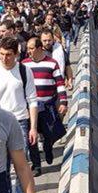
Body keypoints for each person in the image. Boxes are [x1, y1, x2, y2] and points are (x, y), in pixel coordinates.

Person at [23, 36, 67, 170]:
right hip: (31, 107)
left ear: (39, 48)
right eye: (28, 49)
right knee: (32, 136)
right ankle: (36, 165)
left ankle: (48, 148)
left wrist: (63, 101)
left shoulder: (52, 63)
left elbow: (60, 83)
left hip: (47, 106)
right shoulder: (24, 64)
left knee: (50, 133)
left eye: (31, 48)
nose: (29, 51)